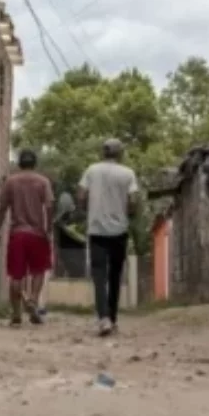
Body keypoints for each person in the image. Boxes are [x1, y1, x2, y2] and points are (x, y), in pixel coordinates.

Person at [77, 138, 139, 336]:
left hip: (96, 230)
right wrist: (126, 213)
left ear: (103, 152)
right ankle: (112, 318)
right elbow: (133, 201)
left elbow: (81, 196)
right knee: (114, 276)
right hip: (119, 231)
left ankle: (103, 318)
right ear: (120, 153)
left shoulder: (91, 170)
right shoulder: (128, 173)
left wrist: (89, 210)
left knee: (99, 275)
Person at [0, 148, 54, 326]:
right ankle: (33, 300)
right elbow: (50, 206)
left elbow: (2, 209)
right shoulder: (43, 182)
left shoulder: (11, 182)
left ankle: (16, 314)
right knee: (38, 270)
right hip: (37, 234)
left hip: (17, 233)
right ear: (35, 163)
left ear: (19, 163)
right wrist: (48, 229)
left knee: (16, 276)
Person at [36, 189, 76, 319]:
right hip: (41, 242)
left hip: (45, 242)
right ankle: (38, 304)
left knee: (43, 273)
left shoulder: (54, 215)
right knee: (42, 273)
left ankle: (39, 304)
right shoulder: (48, 210)